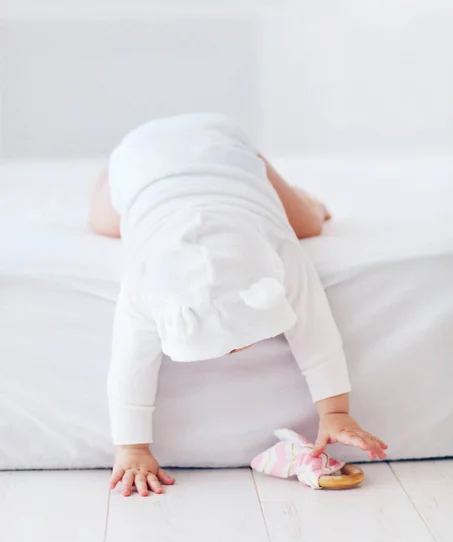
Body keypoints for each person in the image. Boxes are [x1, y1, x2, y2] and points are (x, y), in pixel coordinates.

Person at [91, 113, 387, 497]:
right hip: (143, 160)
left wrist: (335, 412)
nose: (231, 352)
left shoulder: (278, 256)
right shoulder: (147, 282)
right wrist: (131, 447)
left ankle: (306, 199)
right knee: (103, 221)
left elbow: (316, 332)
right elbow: (129, 364)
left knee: (309, 223)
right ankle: (112, 163)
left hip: (226, 152)